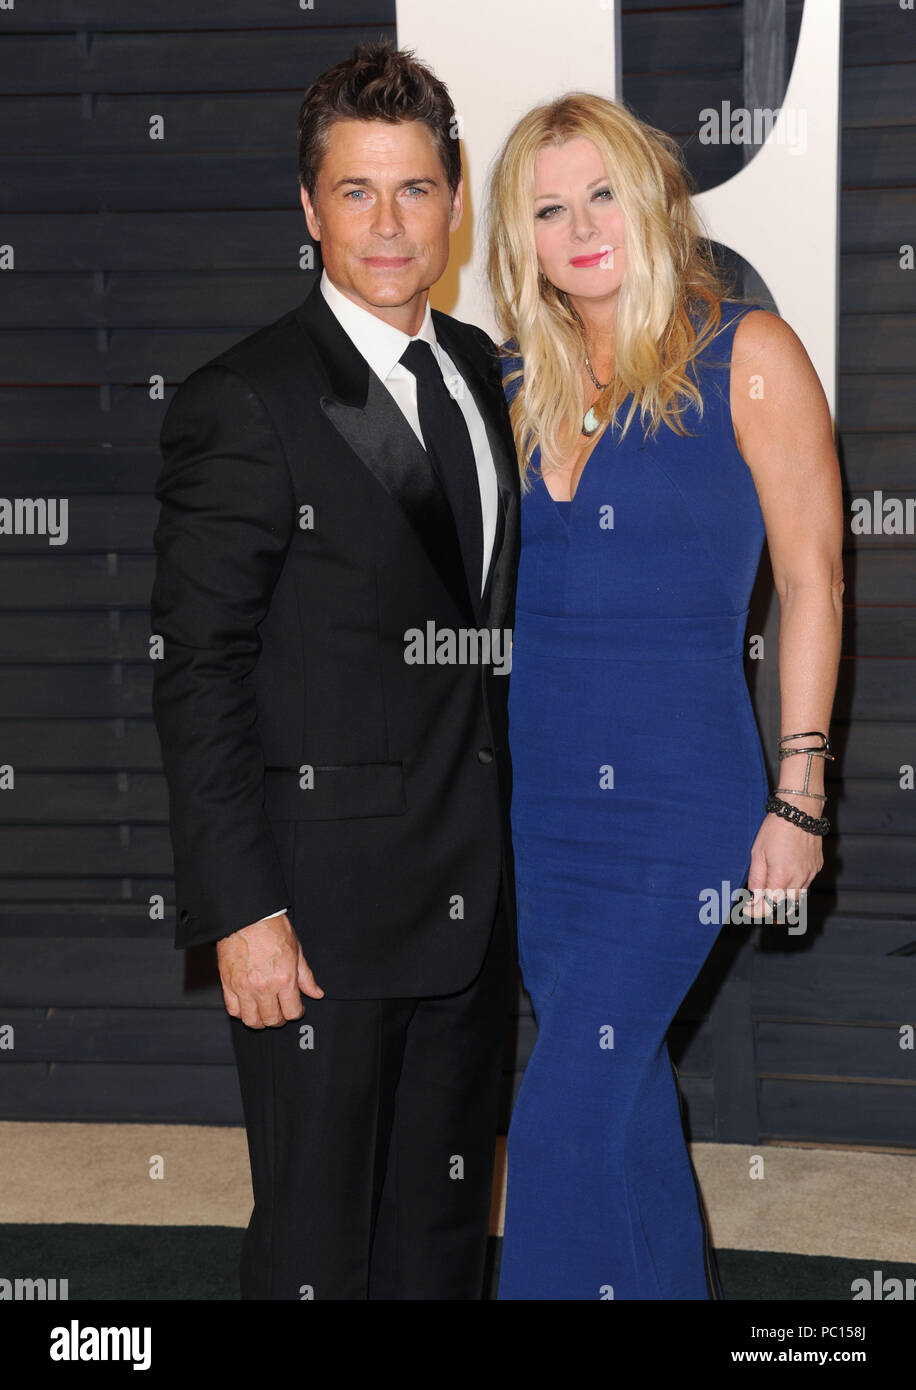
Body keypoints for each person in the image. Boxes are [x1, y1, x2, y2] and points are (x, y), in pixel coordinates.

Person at [150, 38, 520, 1300]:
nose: (387, 223)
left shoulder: (481, 373)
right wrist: (242, 914)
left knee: (437, 1243)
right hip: (316, 919)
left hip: (470, 903)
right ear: (308, 209)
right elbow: (195, 667)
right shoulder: (247, 401)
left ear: (455, 199)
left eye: (414, 188)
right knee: (318, 1253)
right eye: (354, 191)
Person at [485, 92, 844, 1300]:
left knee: (557, 1127)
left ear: (650, 200)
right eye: (548, 206)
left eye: (600, 193)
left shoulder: (747, 354)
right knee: (624, 1107)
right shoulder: (510, 385)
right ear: (518, 236)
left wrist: (798, 794)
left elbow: (812, 580)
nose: (580, 225)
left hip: (678, 810)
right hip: (542, 816)